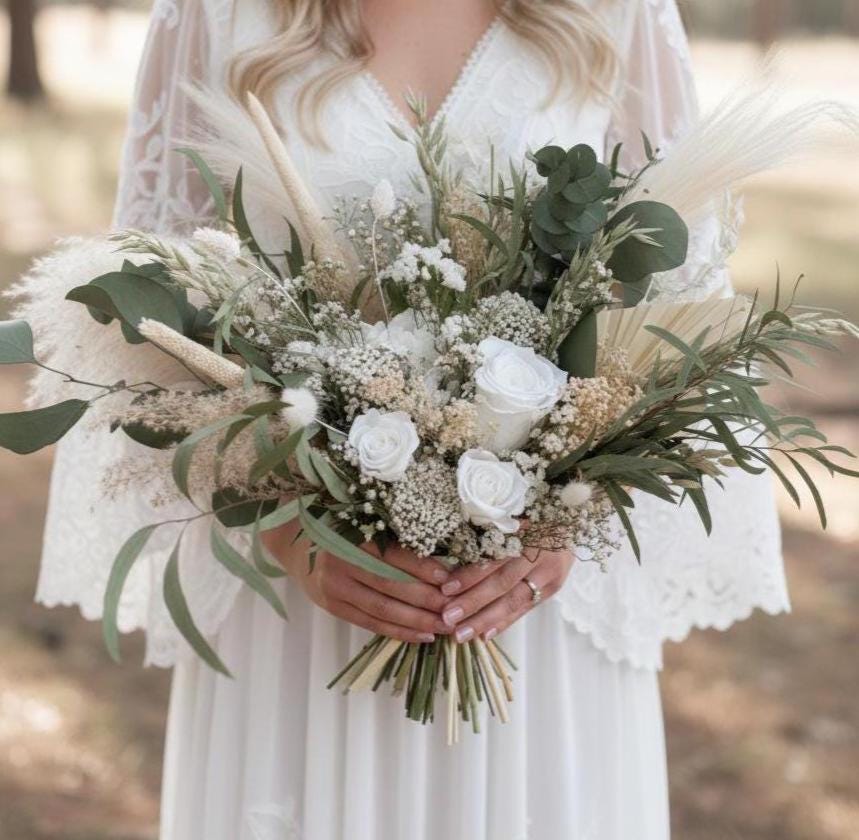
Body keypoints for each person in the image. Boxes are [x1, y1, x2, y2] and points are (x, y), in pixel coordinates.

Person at [35, 1, 788, 837]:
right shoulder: (213, 17)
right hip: (300, 612)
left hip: (532, 621)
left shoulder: (618, 13)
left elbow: (676, 306)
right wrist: (288, 529)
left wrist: (563, 520)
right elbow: (163, 315)